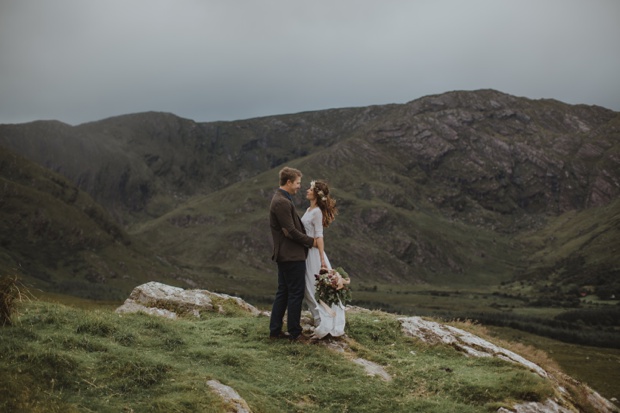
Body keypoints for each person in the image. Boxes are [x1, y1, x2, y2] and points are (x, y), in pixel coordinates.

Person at [269, 166, 316, 342]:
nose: (299, 187)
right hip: (291, 255)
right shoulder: (282, 202)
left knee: (283, 291)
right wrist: (312, 242)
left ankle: (275, 331)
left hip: (286, 255)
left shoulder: (282, 199)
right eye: (297, 183)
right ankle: (295, 333)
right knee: (295, 293)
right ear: (288, 182)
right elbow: (289, 231)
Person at [301, 180, 344, 339]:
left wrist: (322, 259)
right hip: (306, 253)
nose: (307, 190)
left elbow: (319, 235)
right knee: (308, 288)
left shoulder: (317, 212)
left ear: (316, 194)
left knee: (314, 288)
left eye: (310, 189)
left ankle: (326, 322)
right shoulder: (308, 209)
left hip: (313, 254)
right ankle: (320, 320)